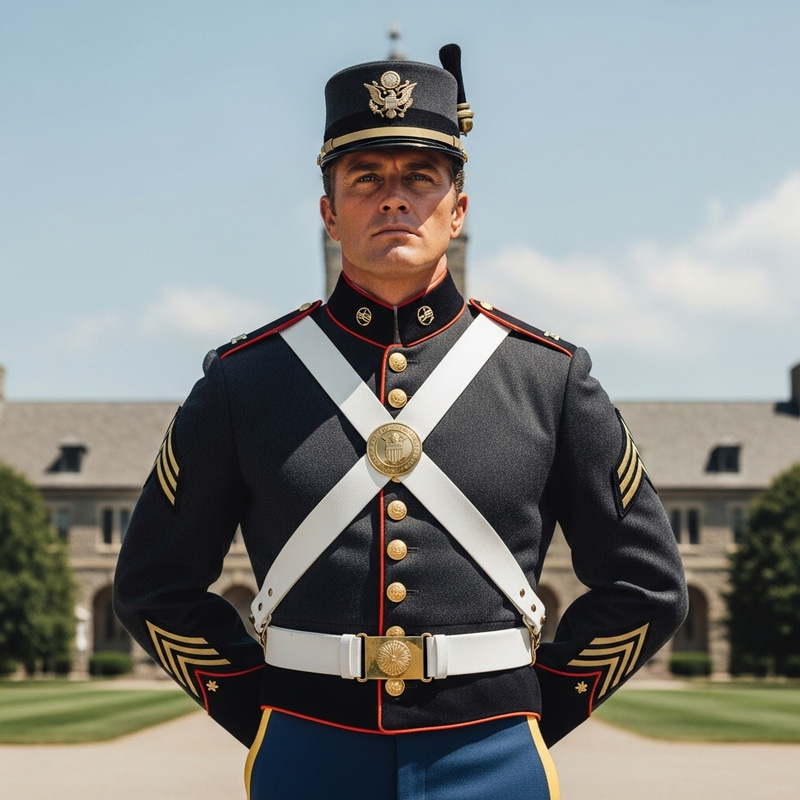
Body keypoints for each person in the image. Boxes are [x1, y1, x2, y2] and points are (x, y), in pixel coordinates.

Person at [114, 44, 688, 799]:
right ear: (328, 213)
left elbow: (648, 586)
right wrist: (263, 714)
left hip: (494, 758)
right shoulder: (242, 383)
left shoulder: (550, 378)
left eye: (421, 178)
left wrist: (532, 712)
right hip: (305, 753)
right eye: (365, 180)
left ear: (459, 209)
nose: (394, 199)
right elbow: (153, 584)